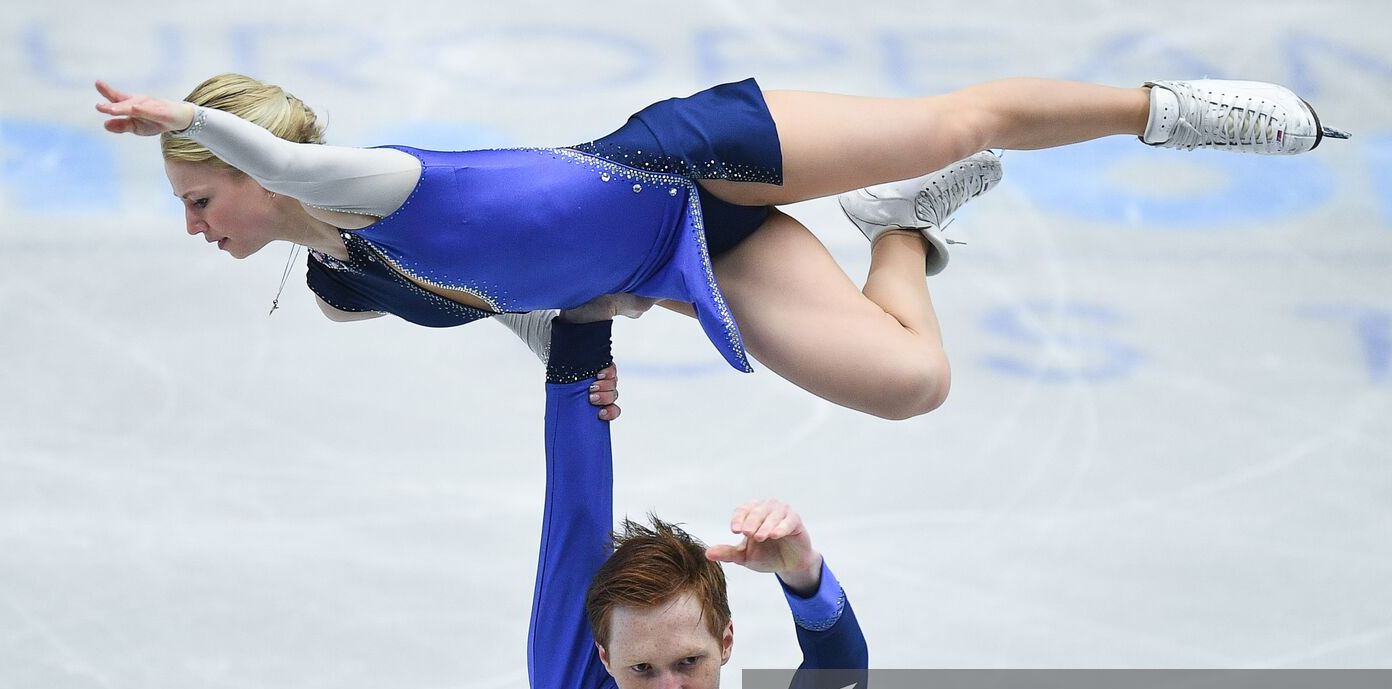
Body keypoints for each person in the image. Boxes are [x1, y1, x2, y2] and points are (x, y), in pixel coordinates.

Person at [95, 75, 1347, 418]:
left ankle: (1172, 108)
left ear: (245, 172)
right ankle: (902, 222)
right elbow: (502, 296)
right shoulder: (344, 284)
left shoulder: (368, 187)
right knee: (908, 384)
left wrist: (178, 116)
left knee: (959, 122)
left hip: (689, 161)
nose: (193, 226)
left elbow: (298, 171)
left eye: (198, 197)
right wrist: (577, 357)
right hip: (674, 264)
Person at [528, 315, 867, 689]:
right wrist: (578, 359)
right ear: (605, 659)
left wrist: (805, 576)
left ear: (726, 641)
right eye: (642, 669)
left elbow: (841, 681)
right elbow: (573, 528)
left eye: (688, 662)